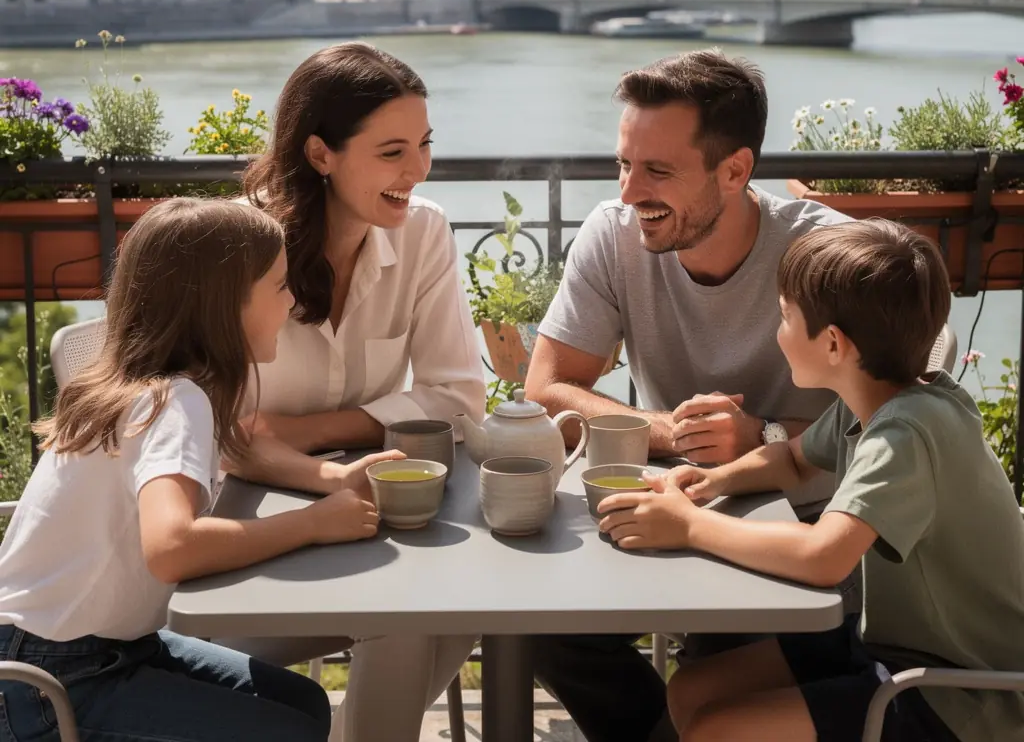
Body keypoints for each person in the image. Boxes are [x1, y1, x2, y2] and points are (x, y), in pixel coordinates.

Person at [523, 48, 849, 742]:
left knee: (716, 673)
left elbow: (882, 426)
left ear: (735, 171)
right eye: (624, 163)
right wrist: (672, 432)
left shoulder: (825, 256)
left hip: (802, 536)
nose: (627, 191)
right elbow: (548, 386)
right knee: (537, 627)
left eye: (657, 171)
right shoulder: (614, 237)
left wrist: (758, 438)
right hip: (675, 502)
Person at [599, 219, 1024, 742]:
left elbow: (825, 556)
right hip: (888, 642)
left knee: (717, 730)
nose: (776, 332)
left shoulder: (907, 433)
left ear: (832, 345)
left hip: (962, 695)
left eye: (784, 317)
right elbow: (793, 461)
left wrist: (689, 527)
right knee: (690, 691)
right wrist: (706, 485)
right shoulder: (879, 396)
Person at [0, 198, 399, 742]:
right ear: (225, 305)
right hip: (48, 679)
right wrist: (314, 523)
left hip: (72, 647)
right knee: (286, 731)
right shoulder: (174, 402)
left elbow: (236, 451)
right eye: (280, 286)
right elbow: (173, 547)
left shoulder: (148, 384)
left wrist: (331, 479)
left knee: (303, 704)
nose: (294, 300)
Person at [232, 41, 485, 742]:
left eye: (426, 145)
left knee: (457, 607)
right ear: (321, 154)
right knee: (410, 613)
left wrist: (307, 430)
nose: (418, 170)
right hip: (241, 537)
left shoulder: (425, 231)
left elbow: (459, 401)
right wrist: (321, 449)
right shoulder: (241, 245)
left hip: (363, 515)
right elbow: (217, 429)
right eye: (392, 151)